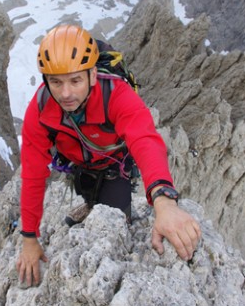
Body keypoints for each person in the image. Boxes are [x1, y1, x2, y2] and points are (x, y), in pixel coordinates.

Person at [16, 24, 201, 286]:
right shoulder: (41, 109)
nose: (66, 93)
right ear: (46, 81)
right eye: (56, 82)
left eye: (75, 80)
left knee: (116, 220)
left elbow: (145, 140)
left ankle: (113, 210)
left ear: (92, 75)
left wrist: (165, 202)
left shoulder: (116, 95)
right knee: (88, 190)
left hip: (114, 165)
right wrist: (29, 239)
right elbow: (33, 175)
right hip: (80, 164)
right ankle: (90, 205)